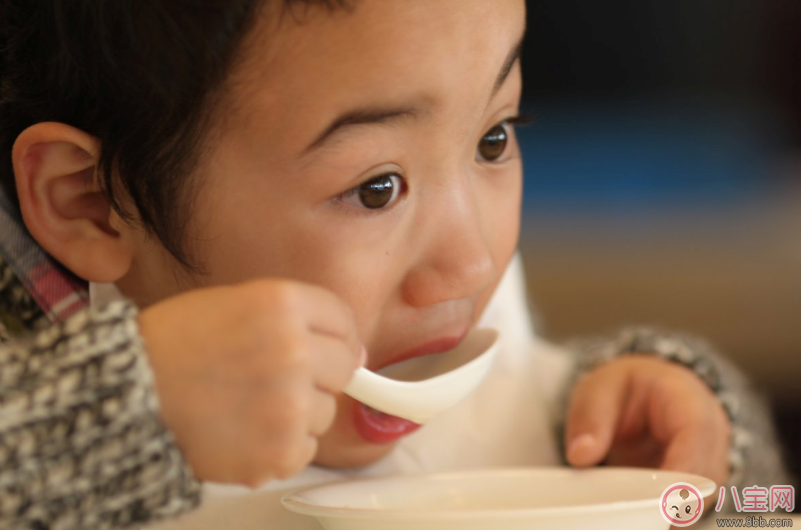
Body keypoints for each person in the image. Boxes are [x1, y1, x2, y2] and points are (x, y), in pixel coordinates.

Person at [0, 1, 791, 528]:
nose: (470, 262)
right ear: (90, 204)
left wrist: (688, 460)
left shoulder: (474, 331)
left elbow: (765, 503)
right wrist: (123, 415)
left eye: (493, 138)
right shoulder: (54, 401)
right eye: (376, 188)